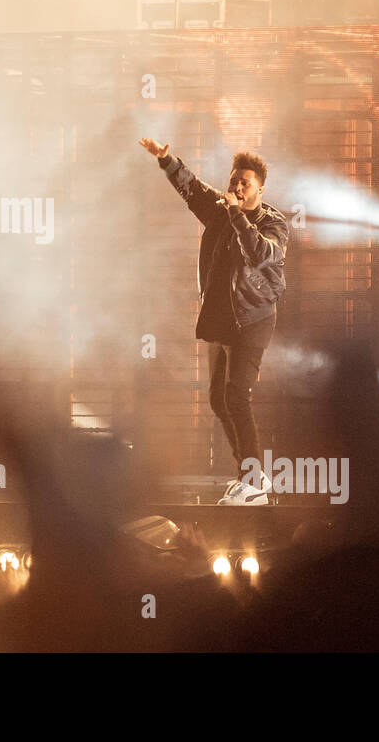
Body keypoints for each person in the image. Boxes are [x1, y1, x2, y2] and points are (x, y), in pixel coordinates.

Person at [138, 137, 289, 505]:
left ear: (260, 189)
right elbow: (192, 189)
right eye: (235, 180)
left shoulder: (274, 224)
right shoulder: (219, 210)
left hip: (253, 321)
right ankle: (251, 473)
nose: (237, 188)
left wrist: (237, 214)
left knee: (236, 395)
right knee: (218, 400)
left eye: (246, 184)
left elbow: (259, 254)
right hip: (222, 320)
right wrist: (165, 158)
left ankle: (252, 479)